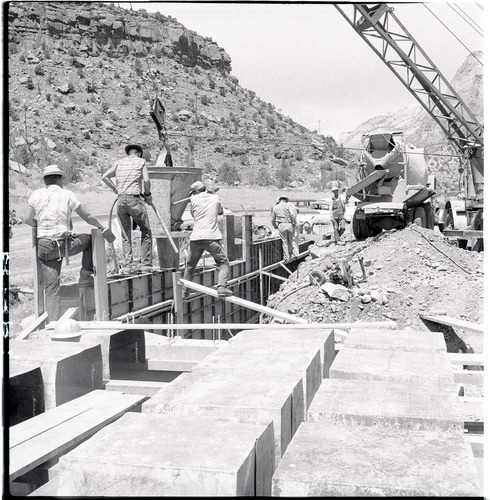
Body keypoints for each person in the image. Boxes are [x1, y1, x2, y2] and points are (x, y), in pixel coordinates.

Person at [23, 165, 107, 322]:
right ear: (60, 179)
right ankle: (85, 274)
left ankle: (53, 325)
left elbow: (27, 219)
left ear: (45, 180)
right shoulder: (67, 194)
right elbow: (86, 215)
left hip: (44, 246)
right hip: (63, 245)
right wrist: (102, 227)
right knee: (89, 240)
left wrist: (40, 226)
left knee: (52, 288)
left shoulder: (36, 194)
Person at [101, 144, 153, 272]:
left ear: (129, 153)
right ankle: (146, 264)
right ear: (139, 153)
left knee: (125, 233)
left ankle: (127, 266)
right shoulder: (141, 162)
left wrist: (115, 189)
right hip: (134, 199)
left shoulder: (119, 163)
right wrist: (147, 195)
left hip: (120, 200)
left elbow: (104, 177)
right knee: (146, 230)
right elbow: (146, 180)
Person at [182, 181, 233, 298]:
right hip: (212, 238)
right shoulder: (215, 198)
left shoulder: (193, 200)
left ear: (194, 192)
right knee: (223, 263)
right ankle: (221, 287)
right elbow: (220, 212)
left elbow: (194, 215)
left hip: (196, 238)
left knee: (190, 266)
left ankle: (184, 292)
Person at [271, 195, 298, 262]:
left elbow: (273, 219)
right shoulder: (288, 205)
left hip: (281, 225)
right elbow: (292, 214)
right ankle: (292, 255)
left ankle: (287, 258)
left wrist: (275, 226)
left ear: (279, 200)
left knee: (284, 242)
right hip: (289, 224)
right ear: (286, 200)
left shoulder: (275, 207)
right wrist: (294, 222)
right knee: (291, 241)